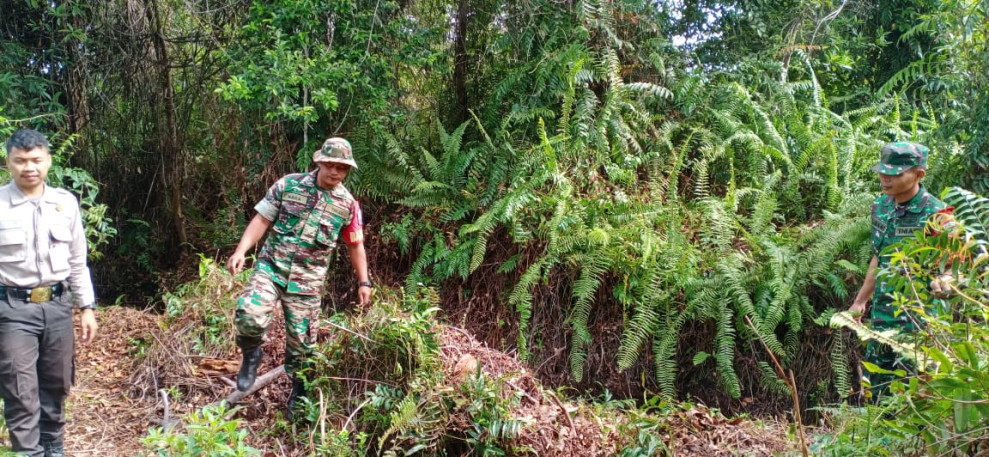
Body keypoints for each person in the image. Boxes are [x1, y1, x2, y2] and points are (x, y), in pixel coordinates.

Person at [226, 137, 371, 414]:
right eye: (330, 165)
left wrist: (363, 281)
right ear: (319, 162)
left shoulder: (348, 204)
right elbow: (262, 219)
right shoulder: (288, 185)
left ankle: (299, 393)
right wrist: (241, 251)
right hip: (271, 269)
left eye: (342, 168)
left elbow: (355, 244)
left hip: (307, 282)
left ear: (347, 170)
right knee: (249, 315)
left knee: (303, 348)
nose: (335, 172)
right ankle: (252, 353)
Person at [0, 129, 98, 457]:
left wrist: (86, 307)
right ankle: (28, 453)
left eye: (36, 160)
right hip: (12, 310)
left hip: (57, 307)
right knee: (20, 390)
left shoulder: (64, 203)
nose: (29, 167)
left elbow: (76, 259)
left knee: (56, 385)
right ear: (8, 162)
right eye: (21, 161)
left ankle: (53, 448)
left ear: (49, 161)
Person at [849, 141, 945, 400]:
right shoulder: (881, 207)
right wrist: (860, 301)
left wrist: (944, 281)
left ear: (919, 174)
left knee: (913, 397)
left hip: (919, 323)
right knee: (877, 395)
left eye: (895, 174)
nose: (885, 178)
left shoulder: (938, 214)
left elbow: (955, 263)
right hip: (882, 320)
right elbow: (879, 258)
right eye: (883, 172)